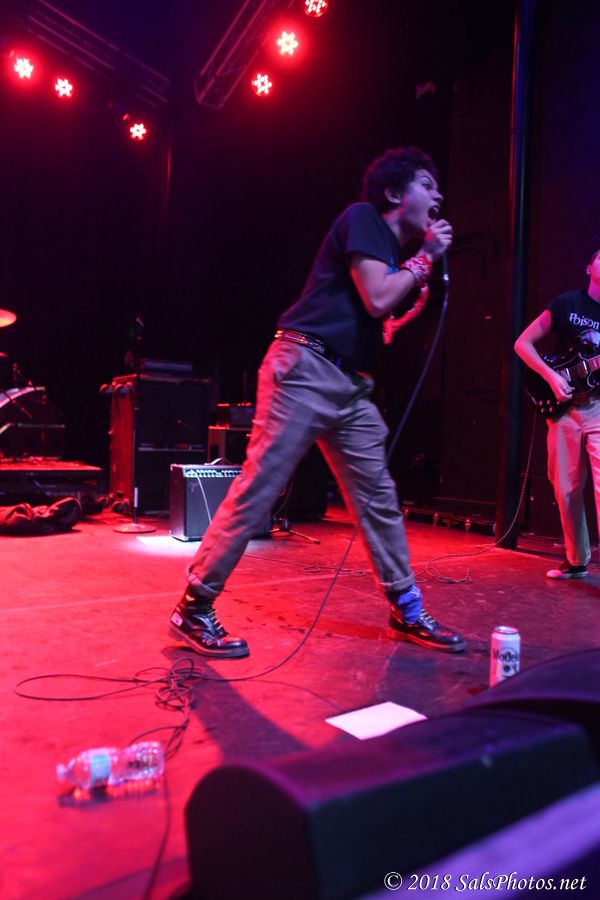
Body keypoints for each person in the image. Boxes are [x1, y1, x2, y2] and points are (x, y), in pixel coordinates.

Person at [170, 146, 466, 657]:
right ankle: (194, 607)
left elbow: (381, 312)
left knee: (378, 498)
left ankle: (407, 608)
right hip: (304, 369)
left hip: (349, 385)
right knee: (260, 487)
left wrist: (407, 286)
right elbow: (377, 296)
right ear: (394, 193)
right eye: (426, 183)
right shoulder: (364, 218)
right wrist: (425, 260)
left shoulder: (392, 253)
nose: (438, 194)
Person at [515, 249, 600, 579]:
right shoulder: (567, 303)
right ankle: (577, 561)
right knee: (565, 488)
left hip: (598, 406)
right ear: (589, 267)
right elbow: (523, 344)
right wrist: (551, 377)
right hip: (564, 408)